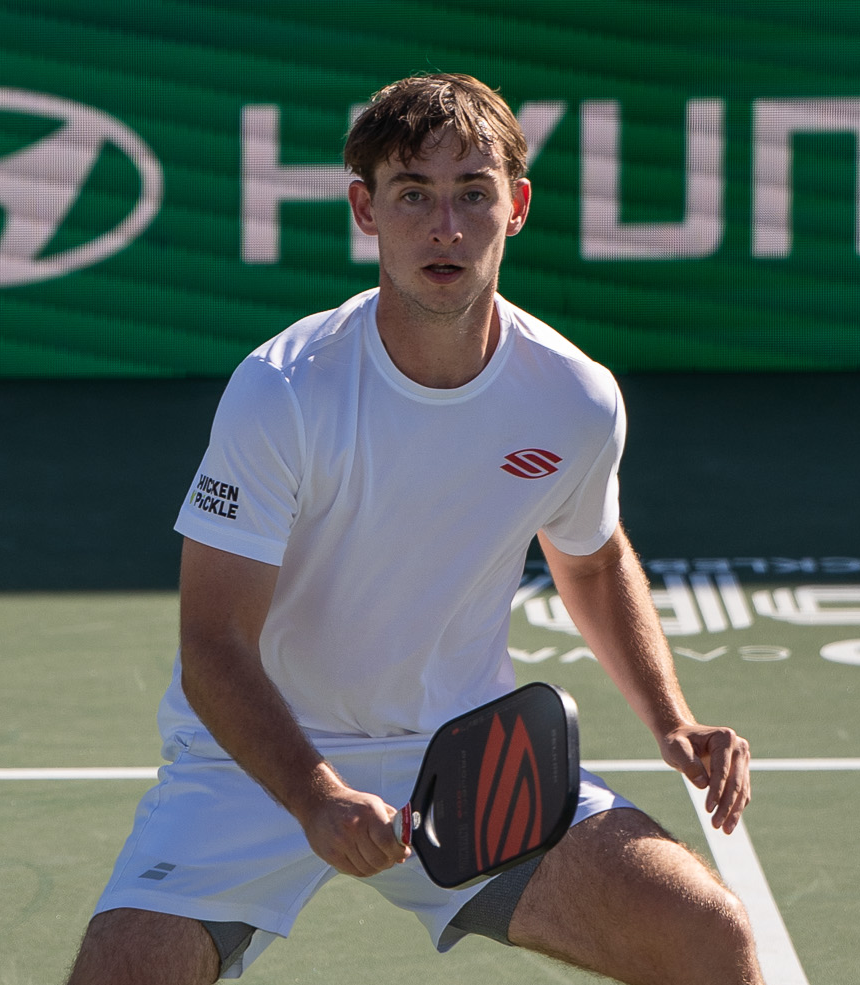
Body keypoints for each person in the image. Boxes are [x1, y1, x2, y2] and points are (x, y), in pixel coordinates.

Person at [65, 73, 762, 985]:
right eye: (413, 195)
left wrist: (672, 718)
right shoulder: (285, 390)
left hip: (467, 763)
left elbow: (591, 562)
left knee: (711, 939)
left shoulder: (573, 400)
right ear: (366, 210)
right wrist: (316, 798)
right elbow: (214, 644)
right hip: (254, 761)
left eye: (473, 193)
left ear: (515, 207)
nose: (446, 227)